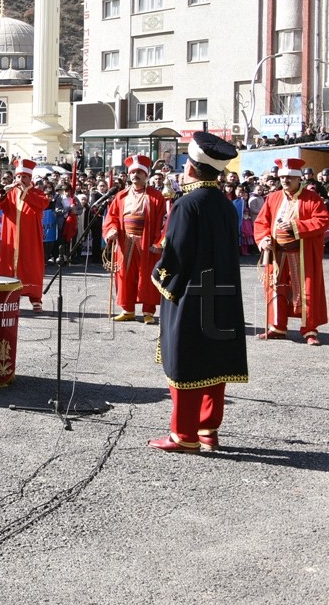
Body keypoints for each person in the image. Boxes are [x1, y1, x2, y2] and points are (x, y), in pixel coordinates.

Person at [148, 132, 247, 453]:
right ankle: (208, 430)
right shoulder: (225, 205)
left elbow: (176, 257)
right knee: (215, 362)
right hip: (222, 293)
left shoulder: (186, 205)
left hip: (191, 294)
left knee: (186, 362)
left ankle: (184, 435)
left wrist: (160, 278)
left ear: (191, 168)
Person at [253, 157, 328, 345]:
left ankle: (309, 330)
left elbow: (322, 221)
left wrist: (295, 226)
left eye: (289, 177)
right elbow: (261, 222)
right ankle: (276, 327)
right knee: (276, 288)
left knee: (305, 290)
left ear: (298, 179)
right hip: (277, 253)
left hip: (301, 253)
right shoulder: (273, 197)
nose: (285, 180)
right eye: (283, 177)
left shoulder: (312, 198)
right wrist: (264, 240)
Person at [102, 154, 168, 324]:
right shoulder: (121, 196)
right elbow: (113, 217)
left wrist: (159, 242)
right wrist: (112, 230)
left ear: (146, 175)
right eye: (132, 172)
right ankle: (128, 309)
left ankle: (148, 311)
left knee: (146, 276)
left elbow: (165, 221)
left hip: (147, 241)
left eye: (139, 172)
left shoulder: (156, 196)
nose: (135, 175)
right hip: (126, 240)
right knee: (125, 275)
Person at [0, 159, 49, 311]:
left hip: (30, 237)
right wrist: (3, 193)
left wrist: (25, 193)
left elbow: (43, 204)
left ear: (30, 178)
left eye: (24, 177)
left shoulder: (37, 193)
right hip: (11, 235)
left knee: (31, 265)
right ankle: (7, 295)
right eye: (19, 177)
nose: (21, 180)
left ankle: (35, 298)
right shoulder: (10, 192)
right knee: (8, 263)